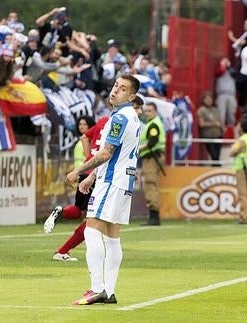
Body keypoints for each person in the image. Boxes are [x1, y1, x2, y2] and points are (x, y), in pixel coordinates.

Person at [65, 75, 141, 305]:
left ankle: (97, 287)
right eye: (116, 86)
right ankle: (109, 290)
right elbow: (115, 154)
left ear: (132, 96)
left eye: (123, 88)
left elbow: (106, 153)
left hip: (112, 181)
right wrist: (92, 176)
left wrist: (78, 171)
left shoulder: (119, 119)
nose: (115, 90)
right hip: (122, 181)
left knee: (91, 230)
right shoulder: (132, 117)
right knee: (111, 236)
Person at [43, 114, 98, 262]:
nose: (82, 127)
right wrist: (91, 164)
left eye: (85, 124)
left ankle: (61, 212)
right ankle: (63, 251)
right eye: (80, 124)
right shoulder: (114, 124)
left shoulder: (96, 129)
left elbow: (85, 138)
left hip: (83, 175)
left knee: (79, 210)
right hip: (95, 175)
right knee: (94, 220)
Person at [139, 101, 166, 226]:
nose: (147, 113)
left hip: (152, 157)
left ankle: (154, 216)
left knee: (150, 185)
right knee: (150, 185)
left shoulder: (153, 125)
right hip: (151, 157)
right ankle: (153, 215)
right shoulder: (152, 123)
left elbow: (151, 142)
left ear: (155, 112)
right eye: (146, 110)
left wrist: (137, 149)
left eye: (150, 110)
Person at [230, 118, 247, 225]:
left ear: (242, 128)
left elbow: (232, 151)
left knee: (243, 194)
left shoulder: (242, 140)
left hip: (242, 167)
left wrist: (234, 152)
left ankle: (244, 216)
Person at [197, 91, 223, 165]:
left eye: (210, 99)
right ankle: (216, 170)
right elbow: (201, 124)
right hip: (208, 136)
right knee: (214, 156)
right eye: (207, 99)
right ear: (203, 100)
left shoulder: (215, 109)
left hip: (218, 135)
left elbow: (220, 121)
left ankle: (216, 169)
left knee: (217, 157)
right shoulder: (201, 110)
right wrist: (213, 124)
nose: (209, 101)